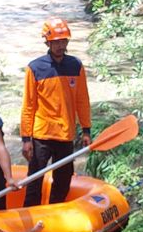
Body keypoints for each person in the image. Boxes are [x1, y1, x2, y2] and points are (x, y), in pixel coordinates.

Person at [21, 18, 92, 207]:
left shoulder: (75, 66)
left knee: (63, 178)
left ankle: (54, 209)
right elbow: (28, 105)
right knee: (34, 180)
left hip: (66, 134)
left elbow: (82, 100)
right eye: (56, 42)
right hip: (41, 134)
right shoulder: (35, 68)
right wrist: (26, 139)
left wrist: (86, 130)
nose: (61, 46)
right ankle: (29, 212)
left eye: (64, 41)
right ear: (47, 42)